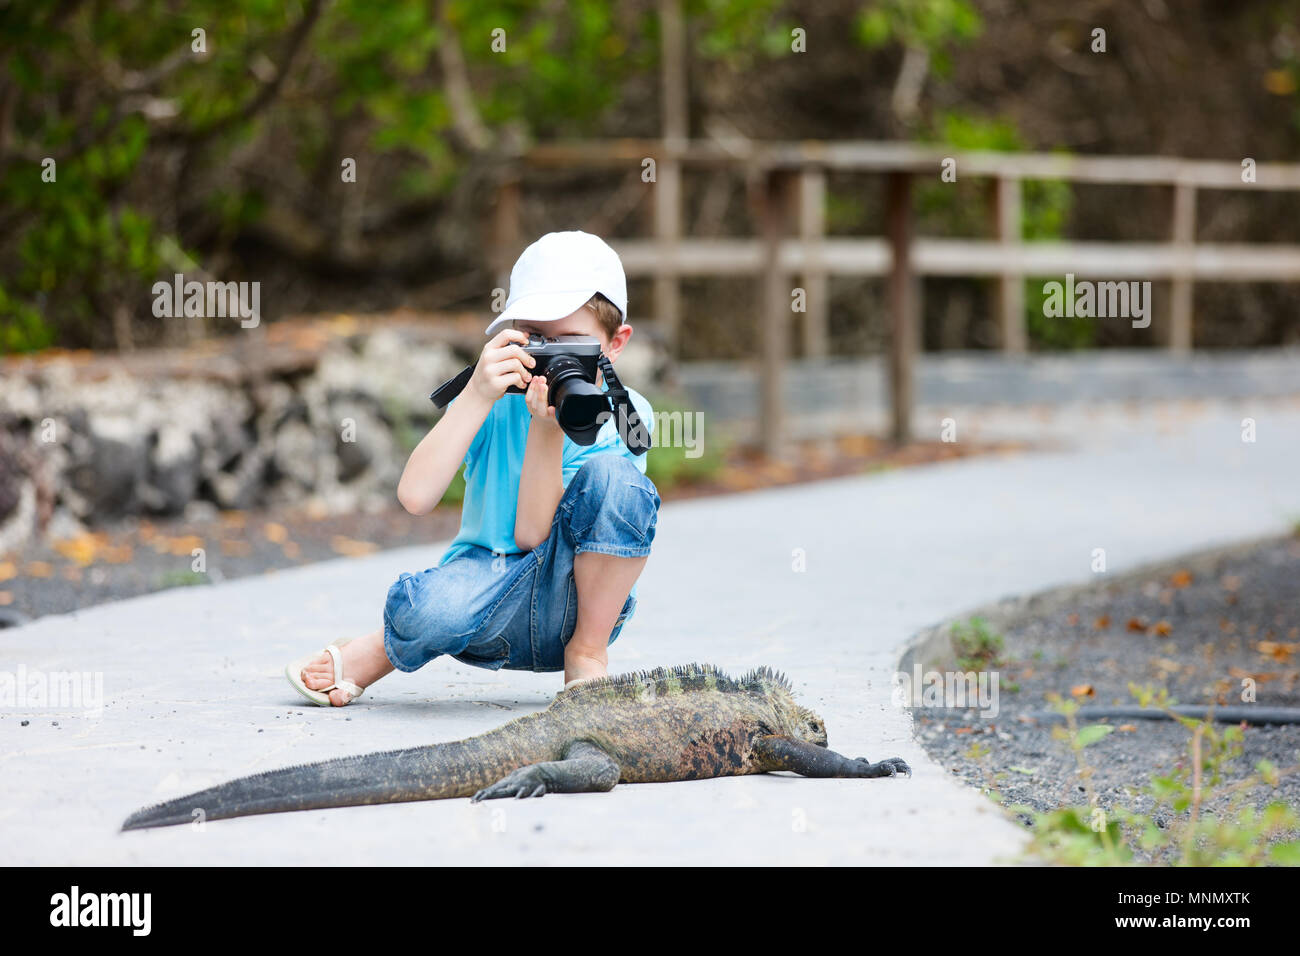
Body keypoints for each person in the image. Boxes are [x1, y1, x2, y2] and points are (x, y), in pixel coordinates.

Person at [286, 231, 660, 706]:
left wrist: (549, 433)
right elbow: (416, 498)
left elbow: (533, 535)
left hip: (577, 610)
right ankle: (380, 647)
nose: (552, 359)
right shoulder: (496, 401)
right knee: (433, 609)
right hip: (483, 602)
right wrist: (475, 396)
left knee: (619, 481)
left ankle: (588, 657)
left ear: (614, 344)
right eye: (537, 340)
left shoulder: (627, 417)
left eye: (570, 344)